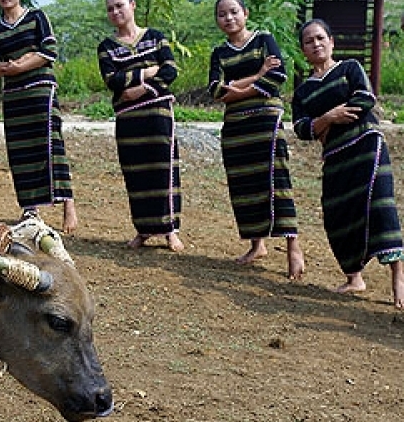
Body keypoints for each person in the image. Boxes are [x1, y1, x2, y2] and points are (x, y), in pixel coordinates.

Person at [292, 19, 404, 309]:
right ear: (303, 49)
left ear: (331, 41)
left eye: (320, 38)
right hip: (335, 159)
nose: (316, 44)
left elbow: (364, 99)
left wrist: (325, 122)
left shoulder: (350, 68)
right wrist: (328, 118)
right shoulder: (303, 91)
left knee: (380, 208)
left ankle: (398, 278)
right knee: (337, 214)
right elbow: (302, 128)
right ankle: (354, 277)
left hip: (367, 147)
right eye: (309, 41)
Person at [207, 0, 304, 279]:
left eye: (234, 11)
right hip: (236, 129)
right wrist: (256, 76)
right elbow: (215, 90)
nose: (229, 18)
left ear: (245, 13)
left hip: (266, 124)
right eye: (222, 14)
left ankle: (293, 247)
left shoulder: (264, 40)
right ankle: (257, 245)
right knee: (244, 185)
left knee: (277, 181)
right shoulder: (219, 52)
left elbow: (276, 79)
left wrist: (237, 88)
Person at [97, 0, 183, 251]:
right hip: (128, 119)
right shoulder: (106, 47)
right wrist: (146, 73)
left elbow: (169, 70)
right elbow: (112, 80)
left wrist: (142, 88)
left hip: (158, 114)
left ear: (133, 5)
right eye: (110, 8)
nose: (115, 12)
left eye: (120, 5)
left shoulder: (156, 37)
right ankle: (143, 230)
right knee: (136, 174)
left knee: (164, 170)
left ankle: (170, 231)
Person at [0, 0, 78, 234]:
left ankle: (68, 204)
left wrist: (19, 66)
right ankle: (30, 208)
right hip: (14, 97)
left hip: (41, 90)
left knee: (51, 145)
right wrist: (10, 67)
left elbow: (49, 51)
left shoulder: (37, 17)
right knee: (20, 150)